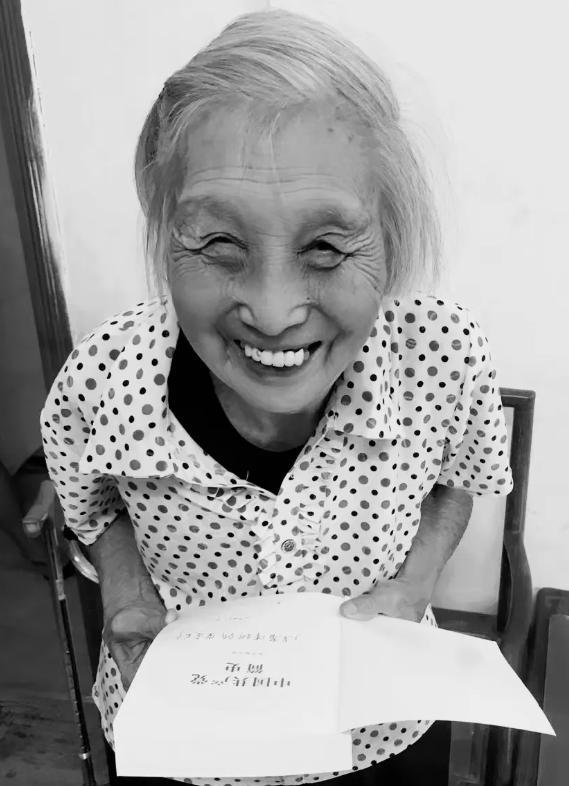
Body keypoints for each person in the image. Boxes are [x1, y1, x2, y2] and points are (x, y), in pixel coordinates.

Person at [41, 8, 513, 786]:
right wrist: (125, 594)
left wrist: (415, 584)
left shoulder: (440, 357)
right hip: (184, 738)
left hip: (371, 730)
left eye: (325, 247)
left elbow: (456, 481)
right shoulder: (104, 377)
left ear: (391, 238)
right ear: (164, 233)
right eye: (218, 242)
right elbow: (90, 505)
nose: (271, 311)